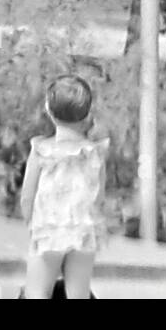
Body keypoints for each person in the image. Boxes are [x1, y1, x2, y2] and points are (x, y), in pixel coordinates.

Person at [18, 75, 108, 301]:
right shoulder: (94, 152)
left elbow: (27, 195)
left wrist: (30, 222)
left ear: (48, 109)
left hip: (49, 230)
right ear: (87, 113)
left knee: (37, 292)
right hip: (83, 231)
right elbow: (99, 195)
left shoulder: (41, 150)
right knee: (78, 294)